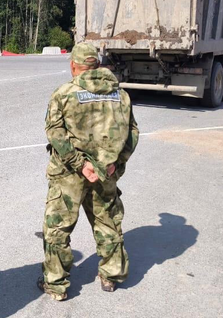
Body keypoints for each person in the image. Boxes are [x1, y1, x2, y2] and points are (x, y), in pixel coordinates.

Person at [39, 42, 139, 301]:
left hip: (69, 175)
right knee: (107, 221)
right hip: (106, 172)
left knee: (57, 228)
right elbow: (133, 133)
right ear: (96, 65)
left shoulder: (64, 93)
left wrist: (80, 164)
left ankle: (56, 284)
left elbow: (56, 133)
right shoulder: (121, 95)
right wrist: (116, 163)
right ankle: (111, 275)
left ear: (73, 65)